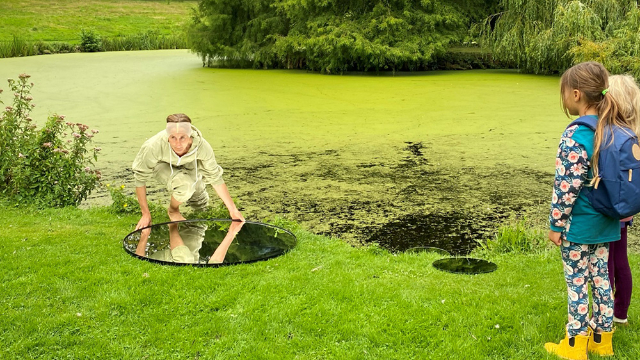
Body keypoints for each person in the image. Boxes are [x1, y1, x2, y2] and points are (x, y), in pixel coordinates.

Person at [545, 62, 633, 360]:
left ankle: (574, 346)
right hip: (607, 223)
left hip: (579, 225)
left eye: (564, 94)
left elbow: (565, 187)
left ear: (576, 94)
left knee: (577, 283)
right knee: (601, 280)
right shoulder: (610, 130)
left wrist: (556, 225)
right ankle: (602, 340)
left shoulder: (576, 135)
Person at [132, 113, 244, 231]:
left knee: (200, 197)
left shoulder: (202, 147)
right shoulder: (153, 146)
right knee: (184, 185)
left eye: (182, 137)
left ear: (190, 136)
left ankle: (195, 235)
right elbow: (140, 179)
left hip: (189, 162)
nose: (178, 143)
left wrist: (233, 210)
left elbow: (215, 178)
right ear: (167, 136)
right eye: (173, 138)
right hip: (162, 164)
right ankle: (173, 210)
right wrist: (145, 214)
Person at [607, 74, 640, 326]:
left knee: (605, 261)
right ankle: (621, 313)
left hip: (608, 209)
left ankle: (604, 312)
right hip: (627, 210)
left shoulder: (610, 136)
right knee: (621, 259)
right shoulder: (634, 134)